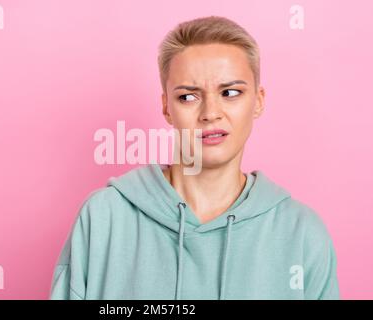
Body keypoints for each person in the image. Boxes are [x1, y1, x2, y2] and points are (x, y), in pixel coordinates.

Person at [49, 15, 339, 300]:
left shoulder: (302, 233)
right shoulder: (103, 219)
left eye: (230, 92)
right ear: (166, 108)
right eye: (188, 97)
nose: (210, 113)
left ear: (258, 101)